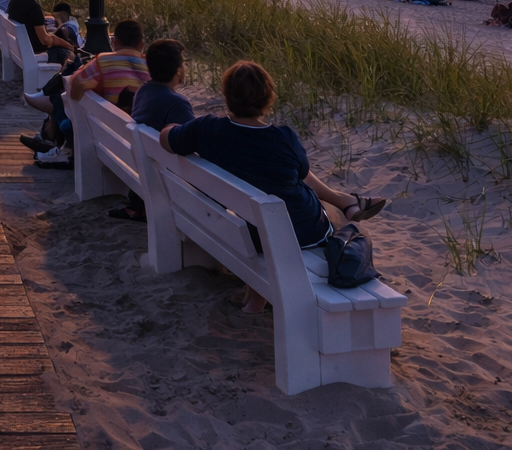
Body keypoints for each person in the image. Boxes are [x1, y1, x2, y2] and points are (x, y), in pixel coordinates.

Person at [161, 61, 386, 313]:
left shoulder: (206, 128)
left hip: (239, 231)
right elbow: (302, 173)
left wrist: (171, 128)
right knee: (338, 220)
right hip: (295, 234)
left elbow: (167, 140)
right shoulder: (283, 138)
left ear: (227, 96)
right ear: (268, 98)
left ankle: (255, 299)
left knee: (264, 199)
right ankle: (346, 203)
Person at [29, 19, 149, 168]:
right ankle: (52, 128)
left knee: (67, 86)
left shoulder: (103, 61)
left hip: (108, 137)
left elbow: (74, 85)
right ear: (141, 45)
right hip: (142, 142)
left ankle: (55, 135)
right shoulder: (151, 67)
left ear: (114, 42)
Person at [106, 38, 195, 222]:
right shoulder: (176, 103)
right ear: (178, 70)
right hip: (162, 178)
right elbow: (189, 146)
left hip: (141, 166)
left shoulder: (144, 90)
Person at [7, 0, 76, 64]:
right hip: (33, 50)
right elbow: (45, 40)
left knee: (64, 33)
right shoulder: (33, 7)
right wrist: (67, 46)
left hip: (19, 45)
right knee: (69, 52)